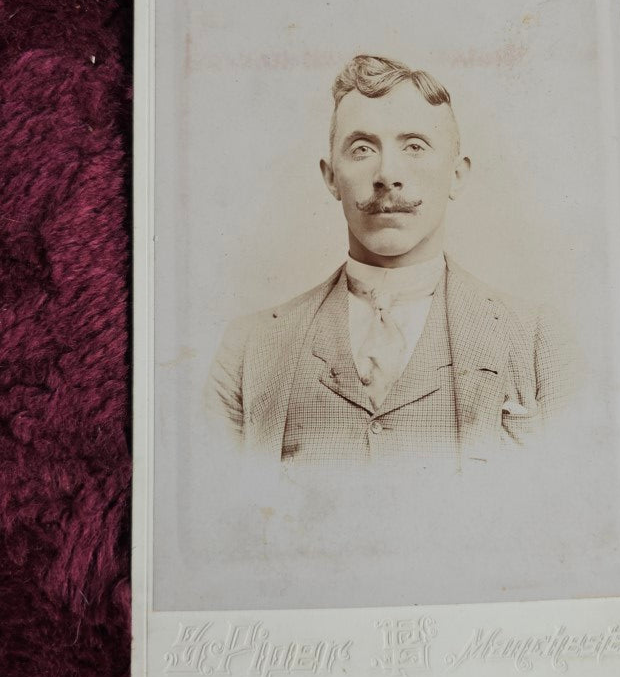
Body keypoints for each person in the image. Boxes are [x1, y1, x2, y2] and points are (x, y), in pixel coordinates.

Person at [205, 55, 571, 466]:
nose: (387, 174)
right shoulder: (248, 350)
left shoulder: (539, 340)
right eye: (362, 149)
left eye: (414, 146)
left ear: (456, 175)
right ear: (330, 177)